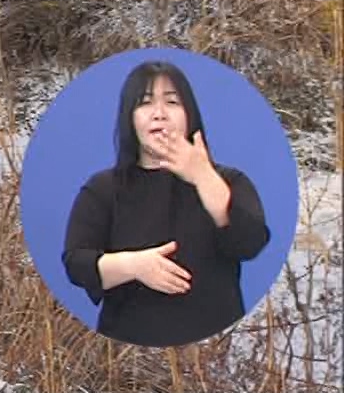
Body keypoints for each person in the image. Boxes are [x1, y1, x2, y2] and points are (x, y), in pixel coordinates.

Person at [61, 60, 271, 348]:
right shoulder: (103, 188)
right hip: (128, 351)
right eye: (145, 103)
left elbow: (250, 243)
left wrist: (202, 176)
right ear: (130, 118)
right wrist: (134, 265)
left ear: (189, 115)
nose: (159, 114)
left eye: (172, 102)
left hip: (214, 350)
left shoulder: (229, 180)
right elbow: (77, 265)